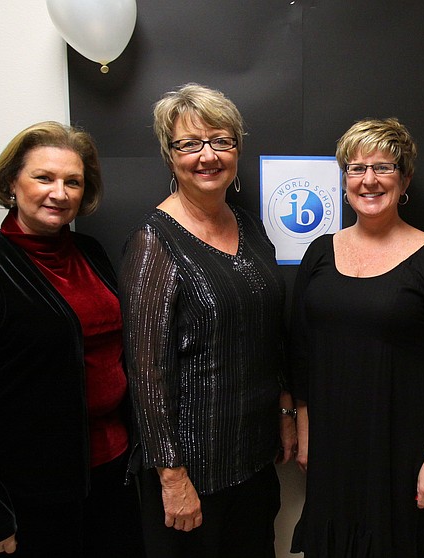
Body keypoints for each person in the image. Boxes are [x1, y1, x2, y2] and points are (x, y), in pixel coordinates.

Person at [288, 117, 424, 557]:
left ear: (405, 177)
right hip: (332, 446)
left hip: (402, 449)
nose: (368, 180)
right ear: (344, 179)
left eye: (384, 167)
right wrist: (305, 426)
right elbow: (300, 348)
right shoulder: (320, 251)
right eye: (356, 168)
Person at [0, 121, 143, 557]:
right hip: (30, 496)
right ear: (12, 184)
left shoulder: (90, 252)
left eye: (72, 181)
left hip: (111, 475)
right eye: (44, 178)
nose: (60, 192)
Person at [119, 83, 295, 558]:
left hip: (254, 462)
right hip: (189, 476)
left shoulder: (250, 226)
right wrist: (172, 477)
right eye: (190, 143)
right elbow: (146, 372)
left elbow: (268, 331)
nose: (207, 155)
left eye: (221, 141)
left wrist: (283, 408)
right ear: (169, 155)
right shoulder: (153, 242)